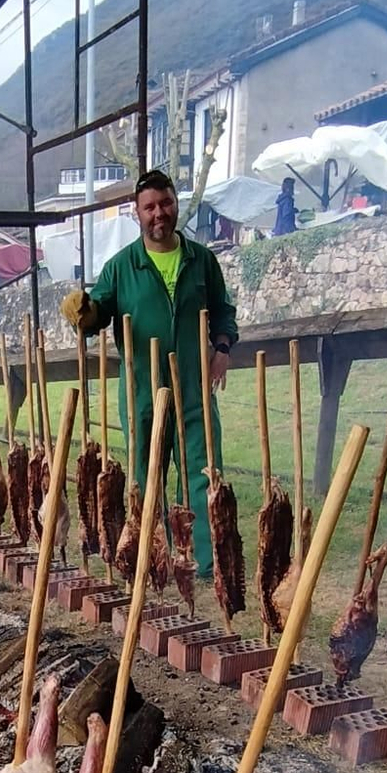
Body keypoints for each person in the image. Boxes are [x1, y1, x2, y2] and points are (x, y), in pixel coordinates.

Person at [60, 169, 237, 573]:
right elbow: (97, 314)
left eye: (166, 204)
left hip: (194, 387)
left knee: (203, 470)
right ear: (137, 213)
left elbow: (224, 311)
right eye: (150, 207)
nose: (159, 213)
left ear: (176, 205)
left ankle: (202, 562)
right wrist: (82, 312)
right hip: (143, 390)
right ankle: (149, 553)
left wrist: (223, 348)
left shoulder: (201, 261)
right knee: (145, 472)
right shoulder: (122, 267)